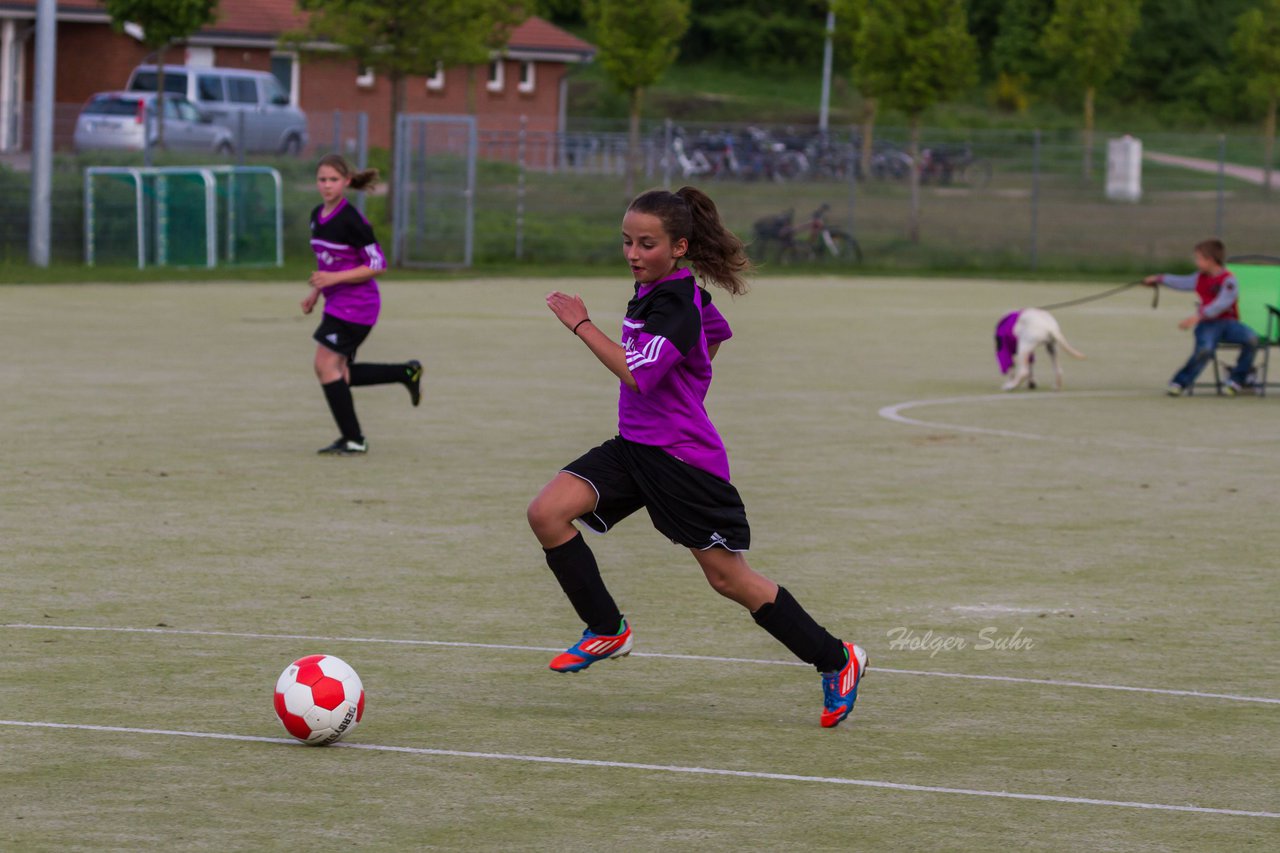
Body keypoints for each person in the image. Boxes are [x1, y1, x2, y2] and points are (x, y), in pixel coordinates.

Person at [527, 186, 867, 729]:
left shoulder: (676, 302)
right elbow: (716, 333)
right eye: (627, 242)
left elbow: (636, 373)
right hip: (634, 447)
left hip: (683, 462)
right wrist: (692, 381)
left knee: (730, 580)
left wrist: (580, 323)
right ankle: (607, 629)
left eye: (647, 244)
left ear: (679, 246)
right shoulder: (665, 291)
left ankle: (837, 658)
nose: (634, 254)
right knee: (546, 513)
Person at [303, 154, 422, 455]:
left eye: (333, 180)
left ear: (345, 182)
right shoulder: (317, 215)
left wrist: (333, 279)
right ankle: (404, 373)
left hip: (358, 306)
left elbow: (378, 263)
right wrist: (316, 292)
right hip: (336, 303)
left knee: (325, 366)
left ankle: (354, 439)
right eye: (322, 179)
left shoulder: (352, 220)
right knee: (338, 373)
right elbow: (326, 262)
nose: (327, 185)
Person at [1144, 239, 1258, 397]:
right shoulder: (1199, 278)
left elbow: (1222, 304)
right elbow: (1181, 282)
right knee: (1205, 350)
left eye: (1198, 258)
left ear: (1210, 260)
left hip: (1229, 324)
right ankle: (1179, 382)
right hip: (1208, 325)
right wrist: (1159, 279)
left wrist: (1198, 316)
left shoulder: (1229, 280)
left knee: (1252, 339)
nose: (1196, 262)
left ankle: (1237, 380)